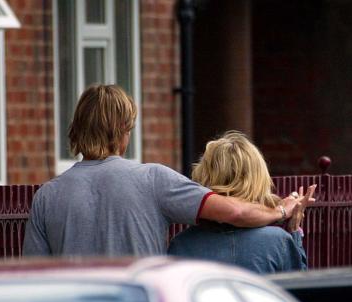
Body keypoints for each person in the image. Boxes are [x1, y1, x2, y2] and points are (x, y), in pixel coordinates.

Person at [22, 84, 304, 257]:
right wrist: (281, 210)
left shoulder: (47, 197)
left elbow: (35, 281)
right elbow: (235, 212)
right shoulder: (152, 180)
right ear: (123, 130)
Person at [168, 131, 315, 273]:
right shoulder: (278, 242)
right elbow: (300, 291)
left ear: (202, 174)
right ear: (258, 178)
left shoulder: (181, 245)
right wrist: (295, 229)